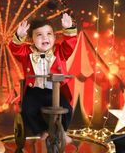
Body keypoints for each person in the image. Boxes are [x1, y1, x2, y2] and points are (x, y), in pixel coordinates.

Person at [9, 13, 77, 143]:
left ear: (54, 37)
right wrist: (19, 36)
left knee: (67, 109)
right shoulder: (27, 52)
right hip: (35, 91)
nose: (44, 38)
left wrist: (68, 29)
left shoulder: (59, 51)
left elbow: (70, 45)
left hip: (55, 91)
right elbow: (15, 49)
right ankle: (42, 131)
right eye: (39, 35)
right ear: (32, 39)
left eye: (48, 34)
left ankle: (62, 131)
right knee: (28, 110)